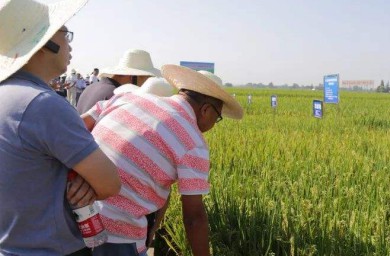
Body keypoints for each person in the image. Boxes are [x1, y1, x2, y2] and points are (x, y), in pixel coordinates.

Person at [0, 0, 121, 255]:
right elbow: (110, 184)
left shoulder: (7, 95)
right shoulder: (44, 105)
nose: (70, 44)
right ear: (45, 43)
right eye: (65, 34)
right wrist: (88, 183)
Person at [82, 64, 243, 255]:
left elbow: (74, 128)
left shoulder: (129, 97)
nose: (213, 125)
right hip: (117, 236)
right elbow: (194, 218)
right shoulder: (193, 143)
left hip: (71, 214)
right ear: (206, 110)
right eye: (217, 119)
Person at [76, 49, 160, 114]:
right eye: (146, 79)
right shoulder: (118, 96)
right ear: (133, 77)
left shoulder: (90, 88)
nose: (145, 85)